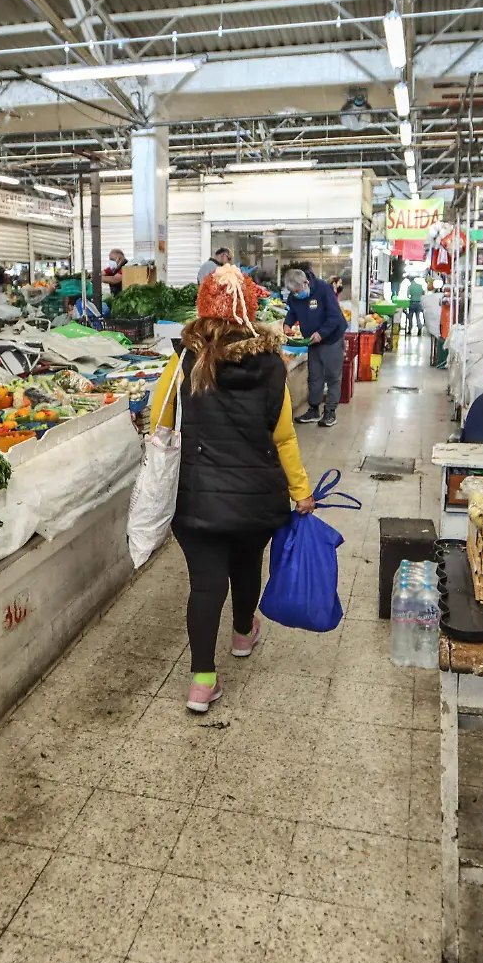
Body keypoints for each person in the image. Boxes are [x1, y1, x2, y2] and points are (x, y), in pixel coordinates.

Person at [146, 266, 313, 713]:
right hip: (256, 496)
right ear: (250, 313)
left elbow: (159, 422)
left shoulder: (184, 361)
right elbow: (284, 437)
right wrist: (301, 491)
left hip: (196, 497)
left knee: (205, 585)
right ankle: (243, 634)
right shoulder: (272, 365)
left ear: (202, 309)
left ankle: (202, 682)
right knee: (245, 563)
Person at [282, 265, 348, 427]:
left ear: (306, 283)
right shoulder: (294, 295)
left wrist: (321, 334)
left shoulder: (323, 290)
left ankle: (330, 412)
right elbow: (292, 312)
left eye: (298, 291)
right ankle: (313, 410)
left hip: (331, 338)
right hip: (311, 341)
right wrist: (287, 324)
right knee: (314, 376)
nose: (296, 295)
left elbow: (335, 317)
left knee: (332, 376)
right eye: (293, 293)